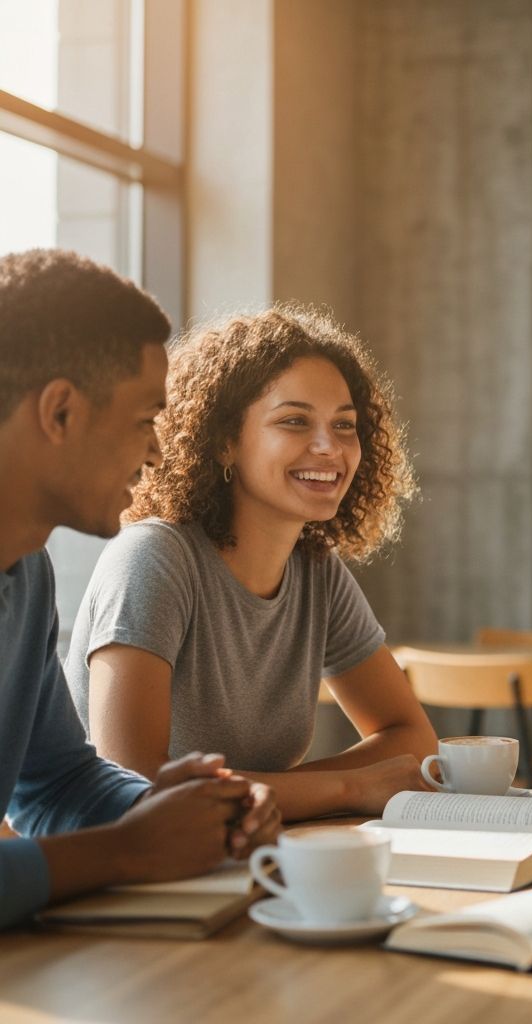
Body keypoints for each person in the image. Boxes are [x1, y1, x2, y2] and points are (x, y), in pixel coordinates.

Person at [65, 307, 437, 822]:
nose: (330, 447)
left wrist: (271, 795)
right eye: (294, 421)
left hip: (240, 851)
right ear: (224, 441)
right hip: (121, 870)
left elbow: (412, 740)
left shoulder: (317, 572)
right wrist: (346, 788)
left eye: (345, 426)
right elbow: (132, 782)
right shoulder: (154, 558)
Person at [0, 248, 279, 929]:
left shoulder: (27, 571)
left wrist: (169, 806)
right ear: (60, 412)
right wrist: (126, 851)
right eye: (143, 419)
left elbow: (57, 781)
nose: (157, 451)